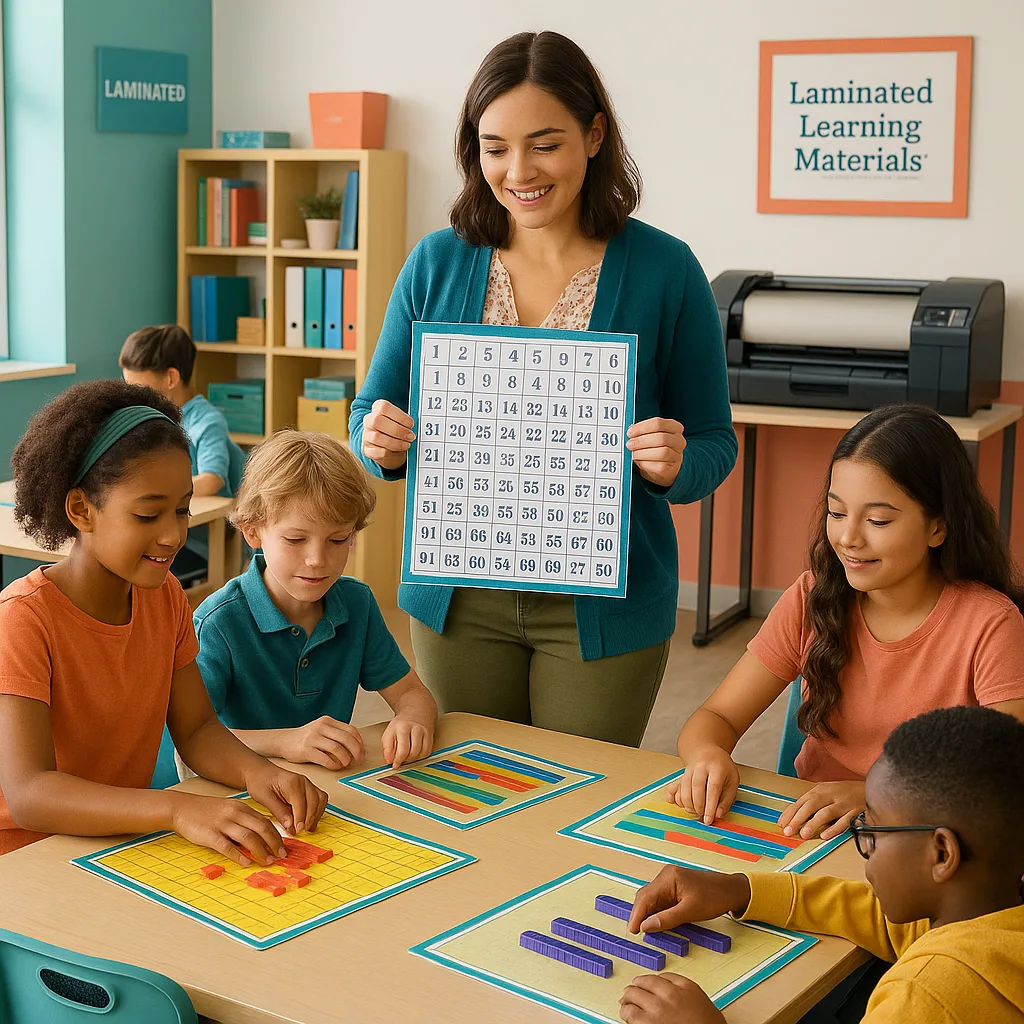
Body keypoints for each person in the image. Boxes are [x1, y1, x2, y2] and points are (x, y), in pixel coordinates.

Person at [349, 30, 736, 746]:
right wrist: (380, 441)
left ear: (594, 136)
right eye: (495, 147)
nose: (518, 170)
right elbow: (367, 413)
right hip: (458, 600)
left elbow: (715, 443)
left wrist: (676, 466)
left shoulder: (666, 270)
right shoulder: (436, 262)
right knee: (464, 804)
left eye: (545, 143)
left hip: (602, 608)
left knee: (577, 807)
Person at [0, 380, 326, 861]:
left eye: (181, 509)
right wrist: (175, 809)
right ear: (80, 510)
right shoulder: (24, 620)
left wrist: (262, 773)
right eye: (148, 515)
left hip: (119, 843)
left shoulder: (165, 597)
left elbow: (195, 730)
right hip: (28, 862)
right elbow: (30, 794)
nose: (174, 534)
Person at [674, 404, 1024, 841]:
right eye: (837, 513)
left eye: (877, 520)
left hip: (924, 840)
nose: (848, 538)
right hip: (812, 832)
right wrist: (707, 754)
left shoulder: (991, 623)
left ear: (938, 527)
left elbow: (1006, 773)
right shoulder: (812, 597)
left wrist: (877, 797)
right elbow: (717, 716)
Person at [620, 706, 1024, 1024]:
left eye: (872, 833)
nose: (864, 849)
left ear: (940, 854)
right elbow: (890, 921)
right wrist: (740, 890)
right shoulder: (993, 910)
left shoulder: (924, 996)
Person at [194, 430, 436, 771]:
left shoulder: (357, 603)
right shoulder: (218, 622)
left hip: (327, 790)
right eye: (295, 539)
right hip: (240, 791)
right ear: (253, 532)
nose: (317, 560)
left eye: (338, 540)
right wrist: (286, 741)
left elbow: (412, 693)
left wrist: (413, 720)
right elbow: (192, 738)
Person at [120, 323, 245, 499]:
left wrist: (155, 491)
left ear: (171, 378)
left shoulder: (207, 421)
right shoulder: (151, 418)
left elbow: (212, 481)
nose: (133, 396)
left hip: (208, 518)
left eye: (140, 388)